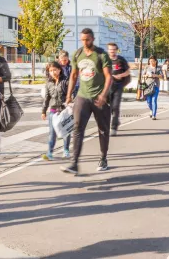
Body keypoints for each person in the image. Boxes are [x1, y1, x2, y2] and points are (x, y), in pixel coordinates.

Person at [61, 28, 113, 175]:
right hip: (82, 97)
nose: (85, 42)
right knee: (77, 129)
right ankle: (74, 163)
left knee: (103, 130)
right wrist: (69, 95)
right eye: (82, 39)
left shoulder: (101, 55)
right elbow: (73, 75)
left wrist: (103, 95)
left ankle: (103, 158)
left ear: (93, 39)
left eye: (87, 39)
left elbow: (109, 77)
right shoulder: (77, 54)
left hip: (99, 98)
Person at [42, 62, 70, 160]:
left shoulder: (65, 81)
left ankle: (66, 150)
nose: (53, 72)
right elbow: (46, 98)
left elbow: (70, 94)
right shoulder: (49, 83)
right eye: (50, 70)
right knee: (52, 133)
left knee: (65, 131)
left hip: (64, 111)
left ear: (59, 70)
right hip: (53, 111)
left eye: (54, 70)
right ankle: (50, 153)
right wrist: (43, 111)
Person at [107, 43, 130, 137]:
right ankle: (116, 120)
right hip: (107, 87)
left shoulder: (121, 60)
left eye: (113, 49)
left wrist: (120, 75)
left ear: (116, 50)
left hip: (118, 86)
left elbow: (128, 71)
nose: (112, 51)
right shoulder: (105, 60)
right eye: (110, 49)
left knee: (116, 106)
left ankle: (113, 127)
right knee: (109, 108)